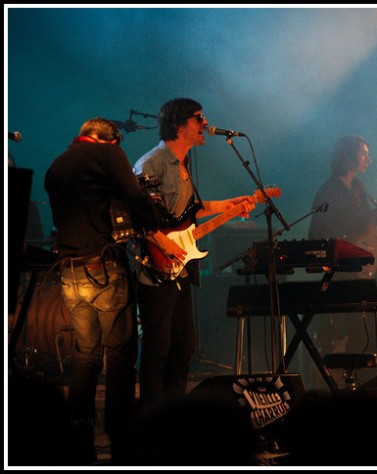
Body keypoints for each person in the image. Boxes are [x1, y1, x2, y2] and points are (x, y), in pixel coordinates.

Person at [44, 117, 162, 464]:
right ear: (109, 141)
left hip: (69, 271)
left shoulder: (57, 164)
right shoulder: (106, 155)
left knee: (86, 355)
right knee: (121, 354)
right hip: (103, 267)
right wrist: (151, 218)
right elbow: (135, 196)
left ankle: (77, 441)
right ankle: (121, 437)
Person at [132, 97, 256, 404]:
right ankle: (151, 418)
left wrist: (227, 206)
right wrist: (164, 244)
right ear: (177, 124)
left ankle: (174, 414)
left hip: (180, 266)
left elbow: (186, 212)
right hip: (155, 267)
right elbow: (141, 217)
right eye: (198, 118)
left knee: (183, 346)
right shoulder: (151, 164)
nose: (205, 124)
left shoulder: (184, 164)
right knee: (157, 346)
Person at [307, 135, 377, 362]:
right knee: (357, 333)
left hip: (366, 268)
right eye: (363, 154)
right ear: (347, 157)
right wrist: (355, 236)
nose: (369, 159)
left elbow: (372, 226)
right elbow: (318, 236)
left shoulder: (359, 188)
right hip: (344, 275)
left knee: (374, 330)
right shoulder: (329, 192)